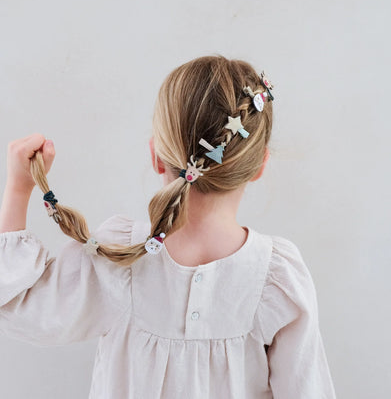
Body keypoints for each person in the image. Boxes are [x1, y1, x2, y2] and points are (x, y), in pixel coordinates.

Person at [0, 56, 337, 398]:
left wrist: (18, 188)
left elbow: (18, 306)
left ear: (156, 155)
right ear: (258, 165)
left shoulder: (117, 260)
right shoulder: (279, 279)